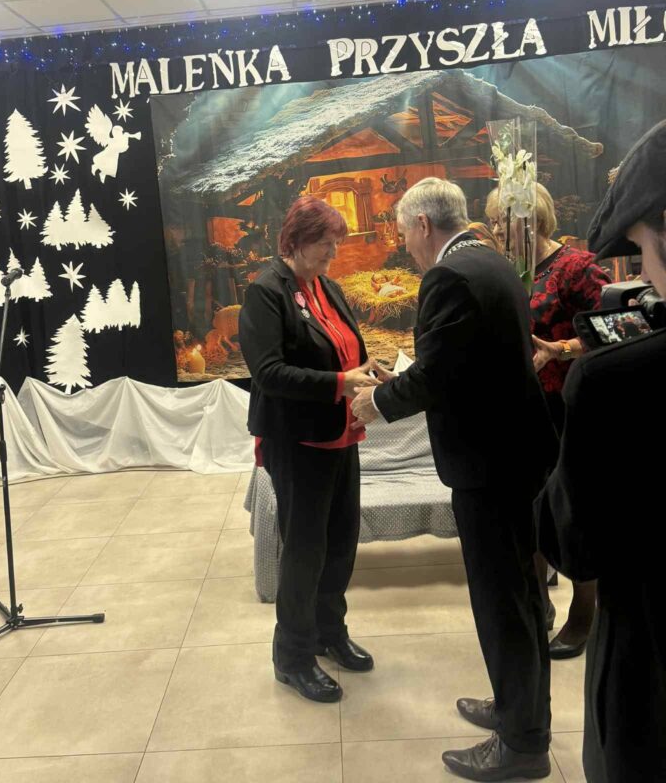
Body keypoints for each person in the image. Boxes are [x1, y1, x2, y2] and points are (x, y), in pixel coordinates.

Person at [352, 178, 556, 781]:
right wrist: (402, 380)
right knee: (520, 597)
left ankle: (522, 745)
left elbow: (438, 376)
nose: (404, 246)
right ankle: (517, 707)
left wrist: (377, 402)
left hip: (489, 467)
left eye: (403, 234)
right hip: (515, 457)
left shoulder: (447, 276)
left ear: (422, 225)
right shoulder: (491, 261)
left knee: (503, 604)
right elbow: (465, 361)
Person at [535, 120, 666, 783]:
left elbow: (573, 545)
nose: (641, 274)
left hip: (651, 685)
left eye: (641, 249)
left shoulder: (613, 382)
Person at [238, 196, 380, 704]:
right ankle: (293, 657)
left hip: (341, 434)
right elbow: (268, 373)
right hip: (298, 440)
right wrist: (340, 383)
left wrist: (369, 372)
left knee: (340, 541)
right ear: (296, 241)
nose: (334, 252)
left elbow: (347, 350)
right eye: (325, 243)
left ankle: (329, 632)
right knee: (304, 550)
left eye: (336, 242)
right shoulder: (266, 292)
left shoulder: (327, 286)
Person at [487, 183, 610, 659]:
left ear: (532, 219)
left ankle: (584, 614)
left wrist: (561, 349)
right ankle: (537, 606)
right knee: (530, 510)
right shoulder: (508, 269)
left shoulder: (576, 266)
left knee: (574, 512)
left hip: (571, 409)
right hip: (524, 409)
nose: (496, 229)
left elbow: (619, 327)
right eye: (492, 221)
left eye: (502, 220)